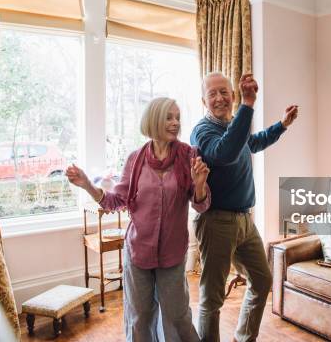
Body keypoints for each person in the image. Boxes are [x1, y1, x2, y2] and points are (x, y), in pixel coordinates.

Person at [66, 97, 211, 342]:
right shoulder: (136, 159)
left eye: (178, 117)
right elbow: (115, 201)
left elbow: (202, 205)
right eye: (169, 117)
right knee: (139, 318)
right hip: (137, 251)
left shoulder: (189, 155)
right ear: (154, 120)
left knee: (177, 317)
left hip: (172, 253)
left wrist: (199, 186)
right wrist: (88, 185)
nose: (175, 123)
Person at [190, 72, 299, 342]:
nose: (219, 98)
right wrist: (248, 106)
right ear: (203, 100)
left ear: (232, 95)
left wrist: (282, 125)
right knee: (212, 299)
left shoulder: (234, 128)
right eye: (212, 93)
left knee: (262, 281)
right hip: (216, 222)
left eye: (224, 92)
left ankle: (243, 339)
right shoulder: (202, 131)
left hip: (245, 221)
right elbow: (223, 153)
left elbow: (254, 142)